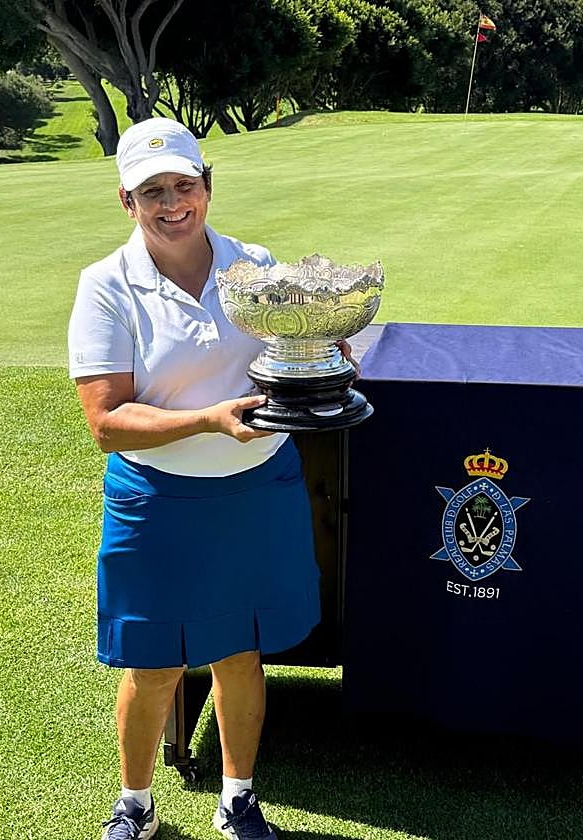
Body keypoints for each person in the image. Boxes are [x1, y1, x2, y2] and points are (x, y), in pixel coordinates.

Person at [68, 117, 351, 840]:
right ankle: (135, 804)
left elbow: (287, 353)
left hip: (256, 488)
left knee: (239, 652)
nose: (172, 204)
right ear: (126, 201)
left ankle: (238, 798)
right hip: (157, 500)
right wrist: (208, 420)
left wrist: (320, 343)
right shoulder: (106, 286)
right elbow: (105, 423)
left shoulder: (252, 264)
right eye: (152, 191)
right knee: (155, 663)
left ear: (207, 187)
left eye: (184, 186)